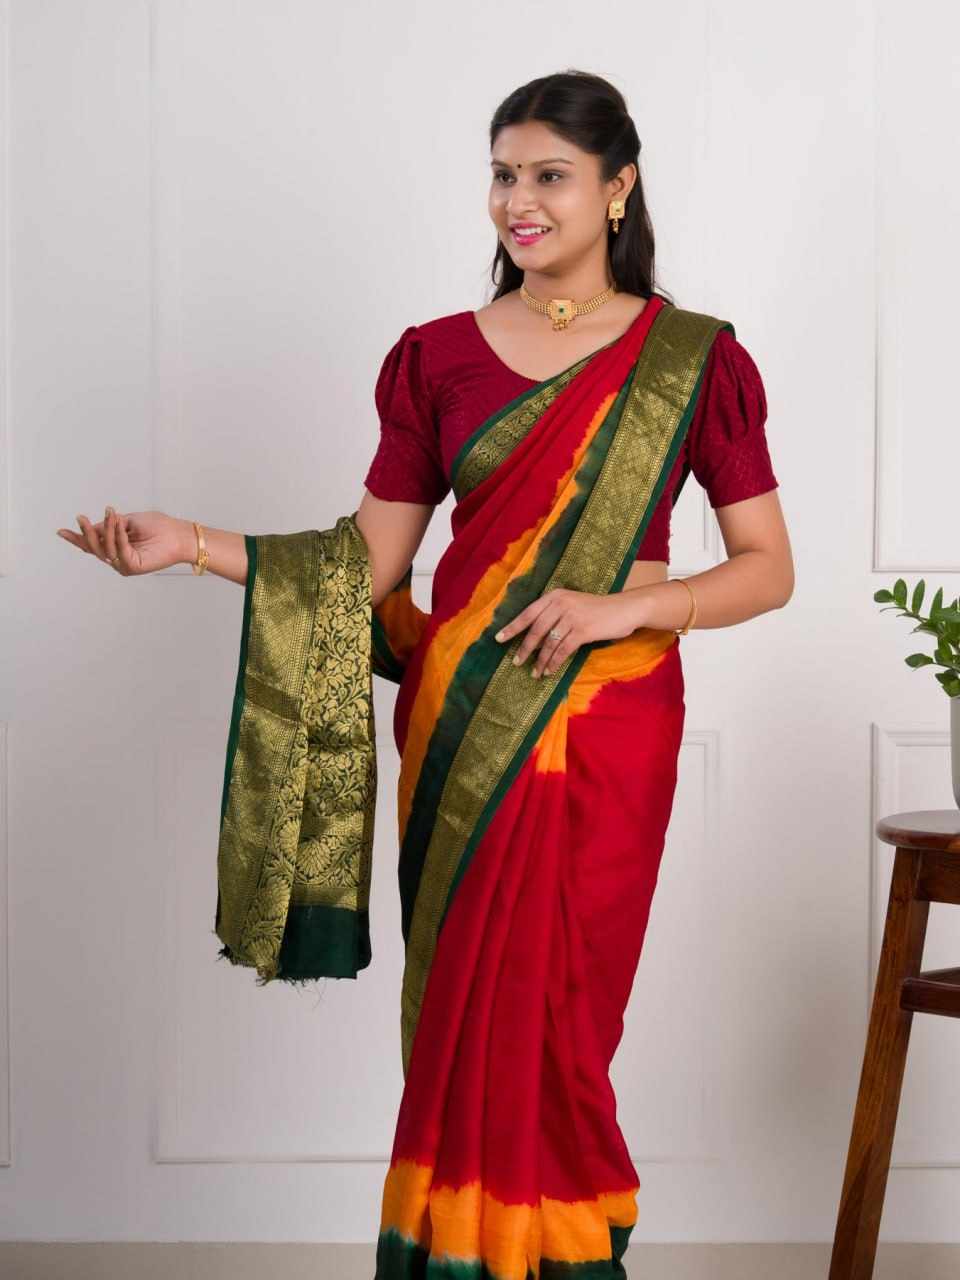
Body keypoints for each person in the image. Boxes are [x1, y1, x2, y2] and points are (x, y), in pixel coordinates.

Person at [58, 68, 794, 1280]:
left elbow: (768, 568)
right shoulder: (436, 358)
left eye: (550, 175)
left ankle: (567, 1260)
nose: (518, 201)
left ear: (619, 188)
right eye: (503, 175)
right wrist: (188, 543)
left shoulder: (693, 362)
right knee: (468, 1017)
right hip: (462, 732)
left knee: (566, 1027)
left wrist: (626, 604)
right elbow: (363, 567)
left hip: (610, 728)